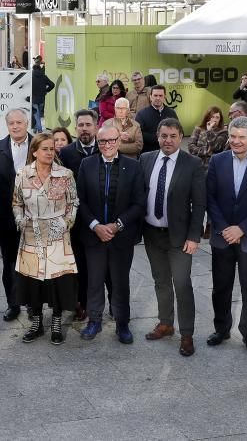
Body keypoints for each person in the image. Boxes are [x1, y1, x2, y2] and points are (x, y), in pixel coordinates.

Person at [205, 117, 247, 354]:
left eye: (241, 137)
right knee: (220, 287)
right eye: (233, 136)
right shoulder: (217, 160)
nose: (236, 141)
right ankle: (221, 329)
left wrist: (242, 229)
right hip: (222, 236)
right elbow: (210, 197)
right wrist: (225, 227)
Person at [140, 119, 205, 356]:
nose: (168, 140)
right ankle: (165, 323)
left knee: (182, 284)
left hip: (179, 238)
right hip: (152, 233)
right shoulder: (146, 159)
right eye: (164, 136)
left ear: (181, 137)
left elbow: (199, 204)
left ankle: (186, 334)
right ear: (158, 136)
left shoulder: (193, 164)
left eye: (173, 136)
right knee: (161, 281)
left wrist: (194, 236)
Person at [77, 124, 146, 343]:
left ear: (119, 141)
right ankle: (94, 321)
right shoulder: (86, 165)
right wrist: (96, 226)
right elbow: (80, 201)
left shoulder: (134, 166)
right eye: (102, 141)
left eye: (111, 140)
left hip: (121, 236)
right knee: (94, 281)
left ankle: (122, 323)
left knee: (120, 282)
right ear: (98, 143)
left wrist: (117, 225)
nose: (107, 145)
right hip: (94, 235)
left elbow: (139, 203)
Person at [13, 133, 79, 345]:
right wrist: (20, 220)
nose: (50, 152)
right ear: (34, 152)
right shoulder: (22, 174)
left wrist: (66, 223)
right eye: (45, 149)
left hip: (57, 236)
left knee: (57, 281)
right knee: (33, 282)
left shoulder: (64, 174)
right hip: (31, 236)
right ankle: (37, 322)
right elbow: (17, 202)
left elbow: (73, 202)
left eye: (52, 149)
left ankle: (57, 321)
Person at [0, 108, 31, 322]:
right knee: (10, 264)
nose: (15, 126)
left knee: (35, 263)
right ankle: (13, 304)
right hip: (7, 219)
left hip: (35, 218)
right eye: (11, 123)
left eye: (19, 122)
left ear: (27, 123)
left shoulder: (39, 144)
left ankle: (34, 305)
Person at [58, 109, 100, 320]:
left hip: (99, 218)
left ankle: (102, 304)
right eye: (80, 125)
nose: (84, 129)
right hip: (74, 221)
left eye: (88, 125)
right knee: (78, 265)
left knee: (101, 267)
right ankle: (80, 304)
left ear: (96, 126)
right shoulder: (65, 153)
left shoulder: (104, 149)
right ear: (76, 128)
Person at [134, 85, 178, 153]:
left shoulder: (171, 113)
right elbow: (138, 134)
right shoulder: (141, 114)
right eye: (155, 95)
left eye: (160, 96)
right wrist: (159, 138)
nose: (158, 98)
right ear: (151, 97)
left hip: (169, 153)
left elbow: (179, 131)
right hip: (149, 154)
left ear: (164, 97)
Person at [188, 106, 228, 171]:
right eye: (212, 117)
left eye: (217, 117)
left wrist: (209, 131)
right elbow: (191, 147)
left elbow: (216, 147)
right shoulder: (198, 129)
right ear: (208, 117)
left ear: (220, 119)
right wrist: (206, 151)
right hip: (196, 164)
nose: (215, 120)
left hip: (212, 166)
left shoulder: (223, 132)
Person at [31, 59, 55, 132]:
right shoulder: (44, 76)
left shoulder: (31, 77)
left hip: (34, 98)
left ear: (33, 69)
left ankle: (39, 129)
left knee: (36, 114)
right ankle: (35, 128)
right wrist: (46, 91)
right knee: (37, 114)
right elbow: (52, 84)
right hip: (42, 99)